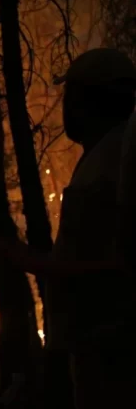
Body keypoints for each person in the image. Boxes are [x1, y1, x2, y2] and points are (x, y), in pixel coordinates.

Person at [48, 47, 136, 408]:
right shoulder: (111, 153)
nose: (65, 106)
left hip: (108, 348)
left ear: (93, 100)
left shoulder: (110, 165)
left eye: (71, 96)